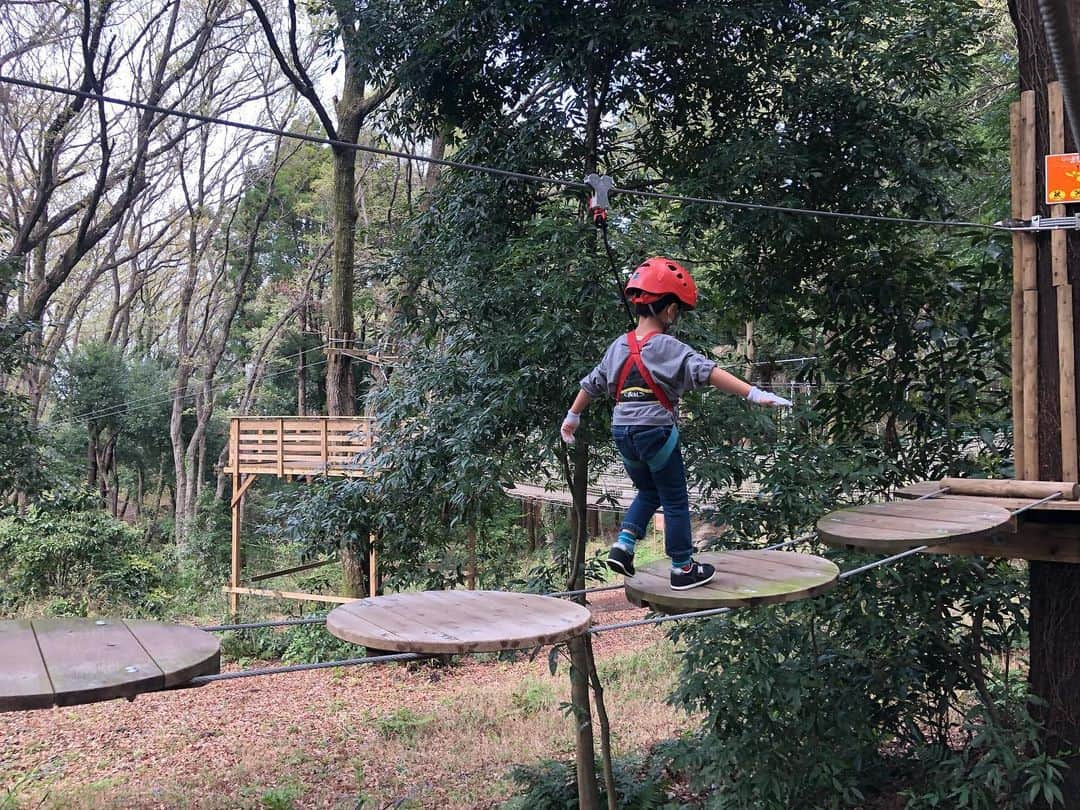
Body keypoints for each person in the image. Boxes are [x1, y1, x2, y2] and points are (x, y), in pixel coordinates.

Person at [560, 257, 792, 590]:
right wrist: (754, 393)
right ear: (668, 310)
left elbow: (591, 384)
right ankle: (683, 567)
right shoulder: (668, 346)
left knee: (648, 490)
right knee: (674, 497)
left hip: (622, 431)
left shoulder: (617, 346)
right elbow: (709, 373)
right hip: (655, 430)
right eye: (677, 311)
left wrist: (572, 417)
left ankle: (624, 545)